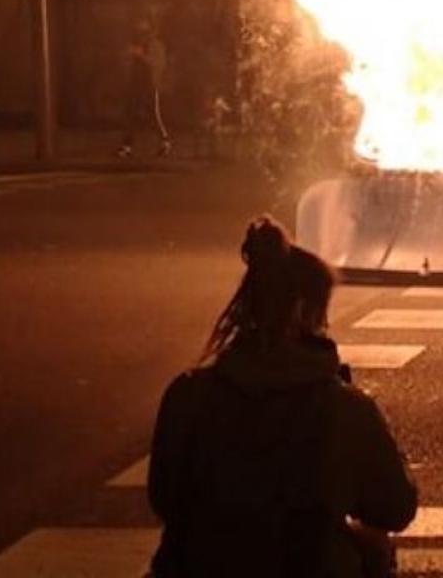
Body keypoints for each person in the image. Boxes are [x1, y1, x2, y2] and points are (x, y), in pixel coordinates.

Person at [149, 218, 417, 577]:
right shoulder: (345, 408)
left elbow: (165, 499)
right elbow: (394, 508)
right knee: (375, 548)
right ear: (304, 313)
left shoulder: (188, 394)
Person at [120, 16, 172, 158]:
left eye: (144, 32)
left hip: (149, 85)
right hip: (135, 84)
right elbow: (126, 63)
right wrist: (129, 56)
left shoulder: (156, 46)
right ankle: (127, 146)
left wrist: (142, 56)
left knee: (153, 115)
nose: (141, 35)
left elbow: (158, 65)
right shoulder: (136, 45)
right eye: (139, 32)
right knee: (131, 114)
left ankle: (165, 142)